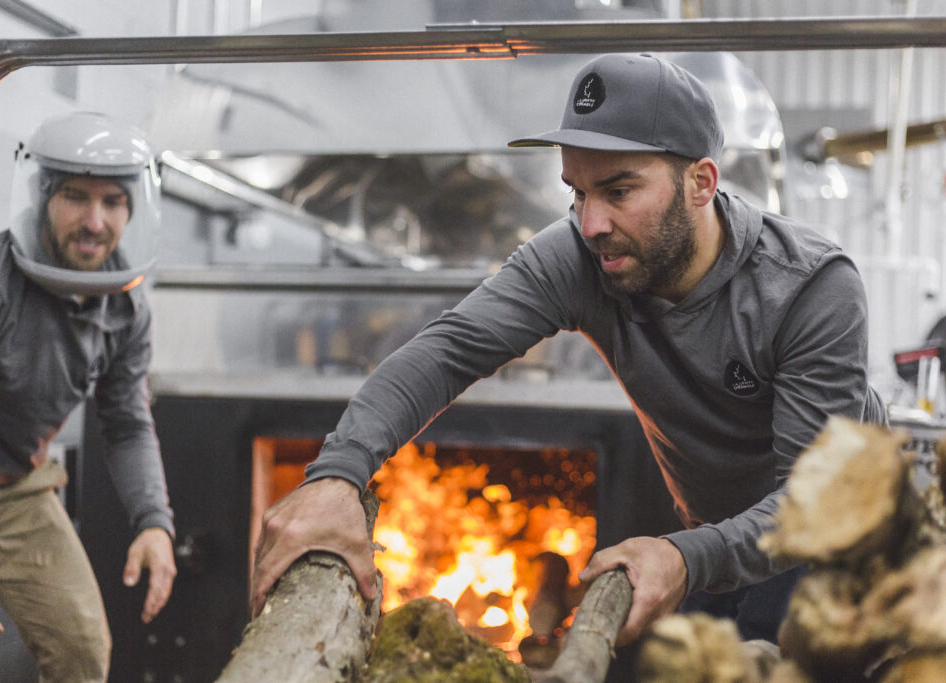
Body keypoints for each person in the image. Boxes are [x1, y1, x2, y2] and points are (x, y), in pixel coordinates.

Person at [251, 53, 885, 646]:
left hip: (843, 543)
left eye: (618, 190)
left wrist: (684, 557)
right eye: (577, 192)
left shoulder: (808, 289)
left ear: (701, 182)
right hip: (717, 539)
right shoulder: (583, 255)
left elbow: (813, 503)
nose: (591, 223)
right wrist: (338, 474)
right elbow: (448, 351)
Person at [0, 111, 176, 681]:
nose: (95, 222)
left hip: (15, 487)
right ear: (44, 196)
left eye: (113, 201)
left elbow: (127, 422)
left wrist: (154, 520)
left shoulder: (126, 307)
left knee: (82, 651)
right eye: (75, 196)